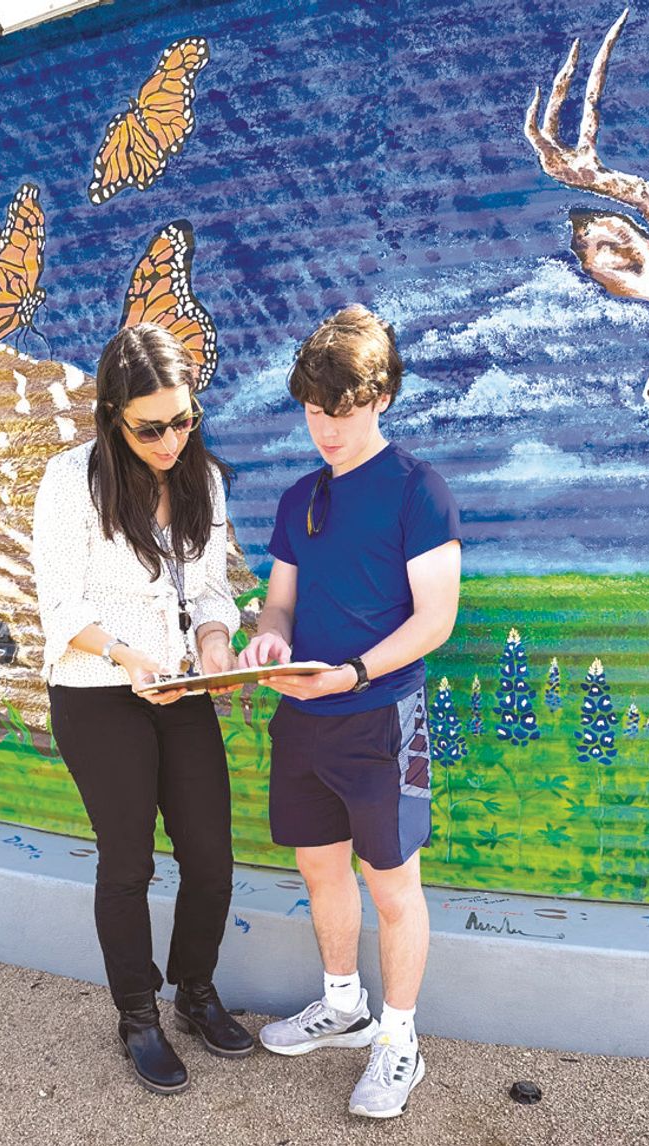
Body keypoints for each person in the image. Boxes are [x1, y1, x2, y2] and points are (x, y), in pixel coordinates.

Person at [238, 304, 461, 1119]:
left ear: (381, 400)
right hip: (303, 718)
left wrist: (355, 672)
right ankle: (345, 1006)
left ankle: (399, 1042)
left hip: (380, 719)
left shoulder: (417, 490)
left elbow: (436, 619)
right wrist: (268, 642)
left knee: (393, 884)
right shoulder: (300, 496)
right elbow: (279, 607)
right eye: (312, 410)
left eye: (343, 410)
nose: (325, 428)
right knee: (319, 868)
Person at [30, 323, 253, 1096]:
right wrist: (128, 658)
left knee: (212, 859)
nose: (170, 440)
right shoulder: (70, 481)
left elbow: (213, 589)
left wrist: (218, 646)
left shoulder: (202, 479)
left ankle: (195, 993)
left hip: (181, 687)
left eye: (184, 420)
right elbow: (58, 606)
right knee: (127, 862)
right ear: (113, 418)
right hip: (97, 692)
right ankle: (138, 1018)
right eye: (150, 427)